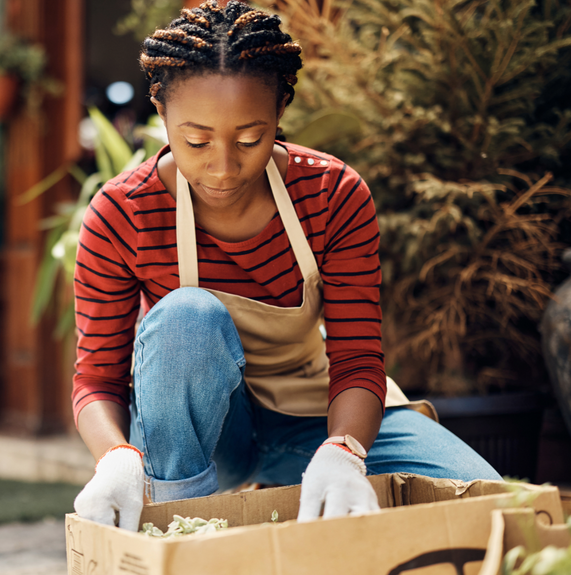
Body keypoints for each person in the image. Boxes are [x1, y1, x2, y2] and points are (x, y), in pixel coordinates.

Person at [72, 0, 501, 531]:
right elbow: (96, 379)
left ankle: (301, 477)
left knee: (492, 504)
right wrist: (116, 457)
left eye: (251, 139)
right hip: (206, 441)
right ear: (160, 114)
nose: (223, 167)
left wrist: (343, 451)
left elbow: (357, 355)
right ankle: (182, 525)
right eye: (196, 140)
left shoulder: (330, 195)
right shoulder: (123, 213)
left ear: (280, 115)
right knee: (186, 318)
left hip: (314, 416)